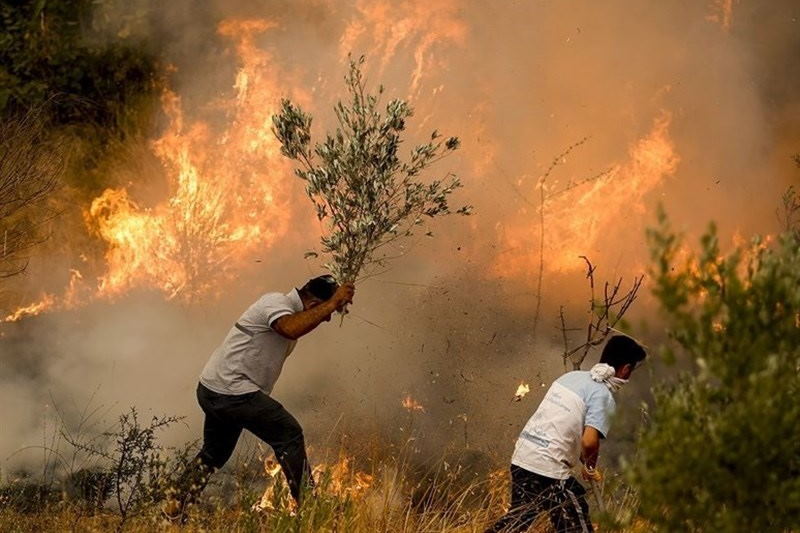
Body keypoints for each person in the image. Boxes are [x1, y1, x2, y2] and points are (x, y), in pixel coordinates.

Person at [164, 275, 354, 520]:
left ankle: (173, 509)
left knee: (215, 453)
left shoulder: (290, 310)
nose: (327, 318)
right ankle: (311, 512)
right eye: (325, 311)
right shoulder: (274, 302)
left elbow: (300, 324)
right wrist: (332, 303)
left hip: (214, 389)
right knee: (289, 434)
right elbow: (289, 327)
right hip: (232, 392)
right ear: (314, 302)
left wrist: (333, 302)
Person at [485, 335, 646, 533]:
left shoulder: (571, 377)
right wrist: (589, 466)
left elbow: (565, 428)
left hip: (523, 457)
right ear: (626, 369)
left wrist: (584, 459)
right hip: (548, 469)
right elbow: (588, 442)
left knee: (520, 518)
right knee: (573, 521)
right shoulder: (603, 396)